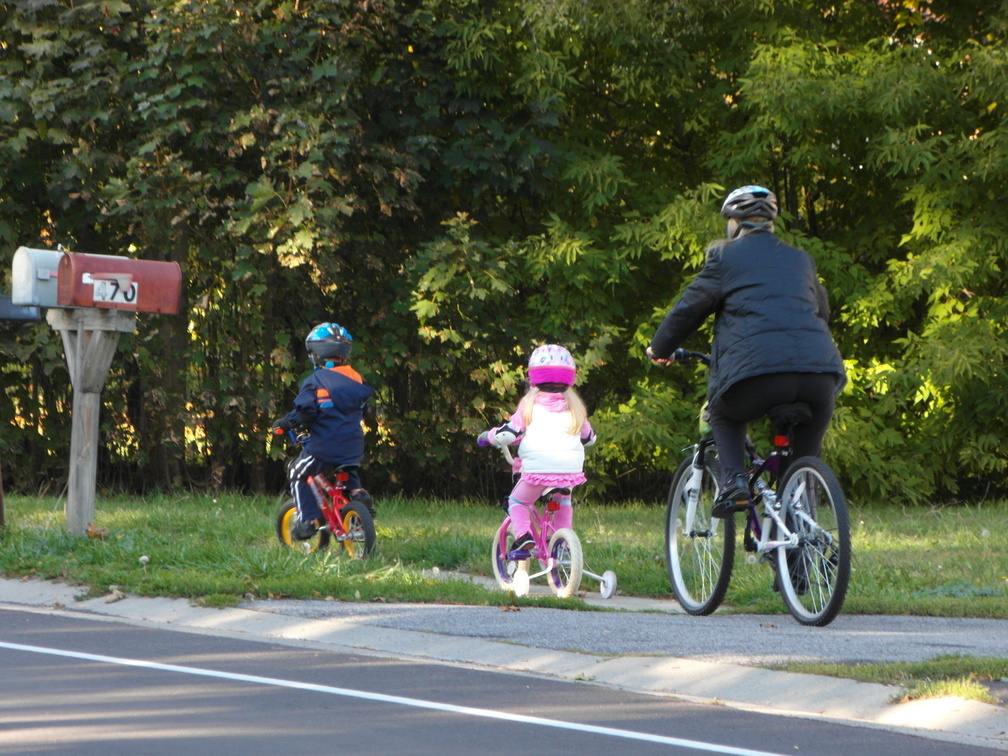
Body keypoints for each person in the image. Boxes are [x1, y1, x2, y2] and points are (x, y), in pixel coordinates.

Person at [647, 185, 846, 518]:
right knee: (802, 469)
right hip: (820, 375)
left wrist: (660, 347)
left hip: (757, 377)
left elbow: (689, 308)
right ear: (770, 223)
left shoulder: (725, 257)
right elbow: (821, 314)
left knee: (722, 412)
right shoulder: (801, 260)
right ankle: (800, 543)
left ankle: (734, 481)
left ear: (734, 223)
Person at [480, 344, 597, 551]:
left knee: (517, 502)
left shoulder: (530, 405)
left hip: (538, 471)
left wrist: (488, 437)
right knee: (563, 502)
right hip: (569, 471)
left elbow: (508, 434)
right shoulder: (575, 407)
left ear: (534, 377)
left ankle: (523, 536)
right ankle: (561, 540)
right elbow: (589, 438)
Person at [272, 322, 375, 540]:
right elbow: (363, 410)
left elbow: (304, 413)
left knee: (297, 472)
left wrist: (284, 424)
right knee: (346, 471)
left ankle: (307, 521)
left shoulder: (315, 381)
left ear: (317, 354)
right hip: (354, 445)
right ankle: (358, 496)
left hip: (324, 447)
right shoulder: (357, 378)